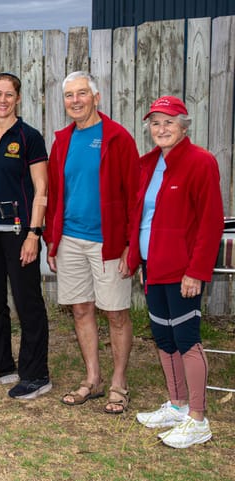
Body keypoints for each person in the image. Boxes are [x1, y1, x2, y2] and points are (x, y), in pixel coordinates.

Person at [127, 96, 223, 448]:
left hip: (184, 271)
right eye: (155, 122)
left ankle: (198, 419)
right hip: (154, 267)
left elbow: (210, 223)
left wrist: (196, 271)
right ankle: (178, 405)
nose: (161, 129)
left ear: (184, 125)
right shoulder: (148, 164)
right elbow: (142, 217)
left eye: (169, 122)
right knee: (163, 339)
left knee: (187, 341)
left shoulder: (201, 162)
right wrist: (140, 261)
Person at [44, 71, 139, 414]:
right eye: (69, 95)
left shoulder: (118, 138)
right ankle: (93, 379)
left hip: (109, 244)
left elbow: (135, 197)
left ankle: (119, 383)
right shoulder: (62, 141)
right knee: (81, 309)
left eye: (81, 94)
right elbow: (55, 195)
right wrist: (51, 241)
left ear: (96, 98)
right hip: (70, 240)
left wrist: (131, 245)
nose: (75, 101)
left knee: (115, 313)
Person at [0, 73, 51, 399]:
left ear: (18, 98)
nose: (2, 100)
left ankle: (36, 374)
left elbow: (41, 188)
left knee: (26, 301)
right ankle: (2, 364)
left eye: (9, 94)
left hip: (20, 232)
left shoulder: (29, 137)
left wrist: (34, 233)